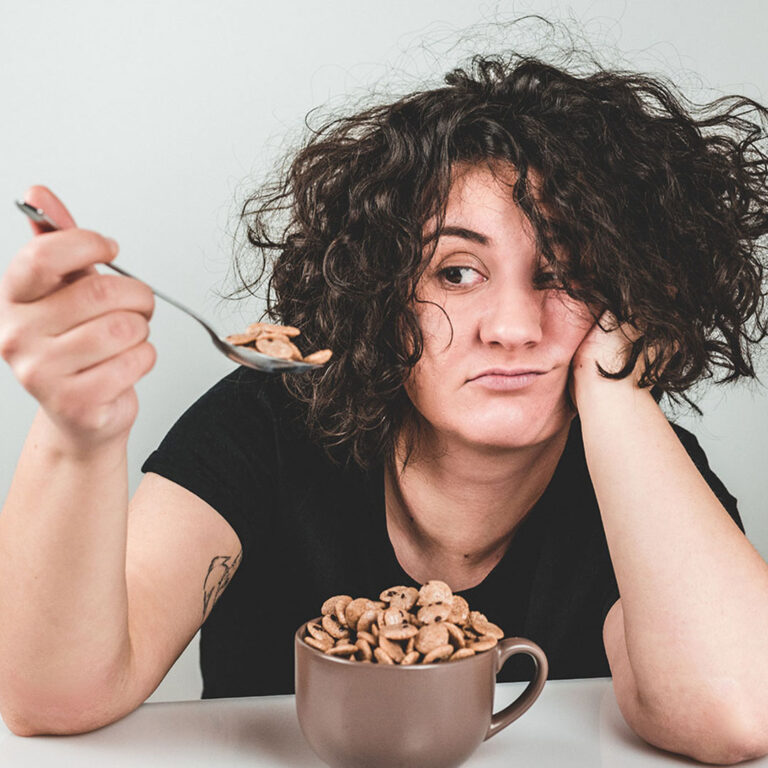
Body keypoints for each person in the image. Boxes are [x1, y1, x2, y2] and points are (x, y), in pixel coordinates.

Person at [1, 50, 768, 764]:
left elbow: (736, 712)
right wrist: (78, 434)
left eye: (564, 272)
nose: (511, 328)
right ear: (381, 293)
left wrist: (618, 383)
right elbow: (54, 700)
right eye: (457, 272)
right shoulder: (264, 425)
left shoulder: (642, 473)